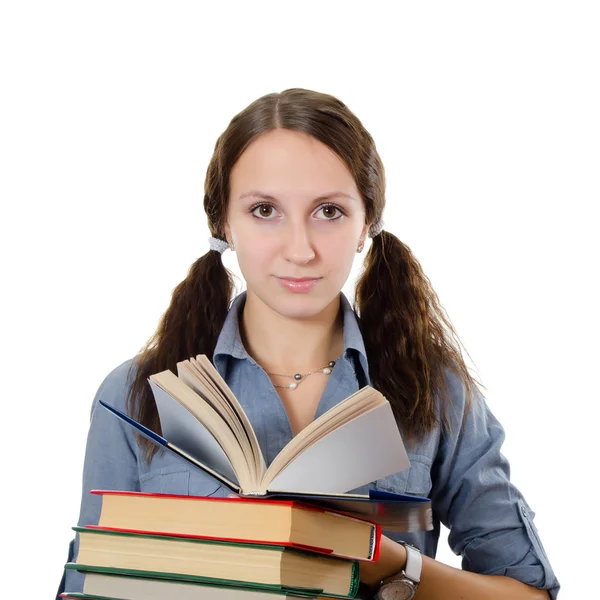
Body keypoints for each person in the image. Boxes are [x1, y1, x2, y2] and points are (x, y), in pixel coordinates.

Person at [57, 88, 559, 599]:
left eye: (329, 212)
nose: (300, 250)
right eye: (264, 210)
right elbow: (84, 586)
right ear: (224, 223)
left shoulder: (436, 392)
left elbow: (529, 594)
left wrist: (392, 564)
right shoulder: (134, 394)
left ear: (367, 223)